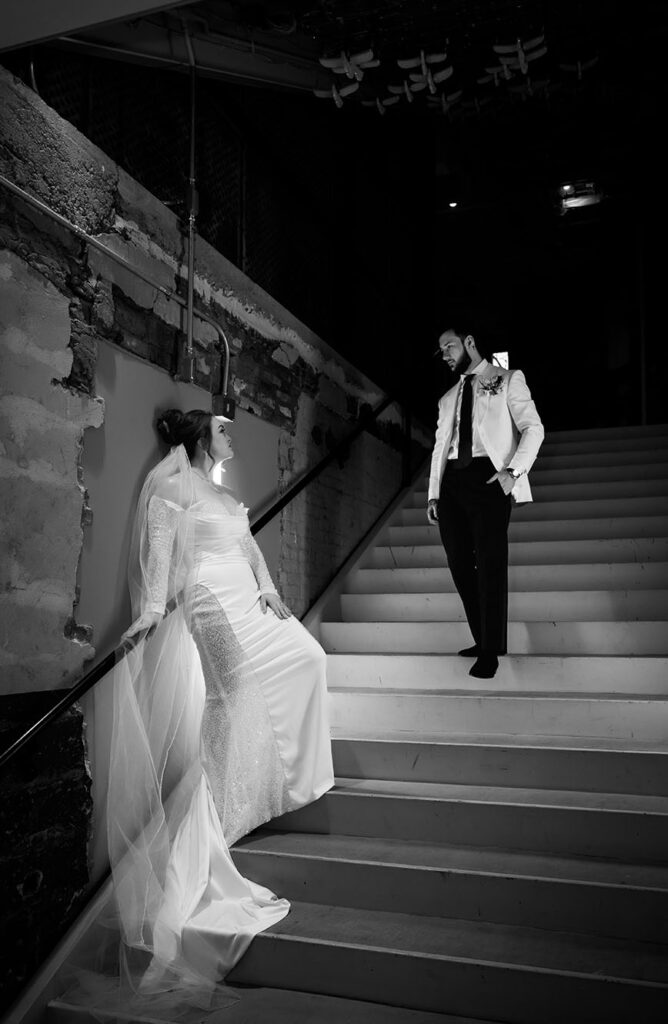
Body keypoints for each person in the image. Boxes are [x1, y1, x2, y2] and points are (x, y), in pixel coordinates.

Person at [94, 408, 334, 1014]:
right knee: (231, 697)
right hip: (208, 600)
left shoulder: (223, 493)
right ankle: (214, 820)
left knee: (310, 657)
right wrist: (150, 613)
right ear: (202, 437)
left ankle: (268, 784)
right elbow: (159, 548)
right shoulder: (172, 485)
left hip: (248, 596)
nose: (233, 436)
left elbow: (250, 548)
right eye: (224, 429)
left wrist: (272, 588)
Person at [427, 329, 544, 679]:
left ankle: (491, 650)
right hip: (452, 485)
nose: (444, 354)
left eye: (448, 346)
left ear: (469, 342)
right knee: (460, 563)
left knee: (491, 563)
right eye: (441, 350)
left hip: (489, 478)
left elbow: (533, 428)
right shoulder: (448, 397)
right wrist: (434, 492)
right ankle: (481, 639)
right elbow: (439, 447)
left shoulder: (507, 379)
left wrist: (513, 472)